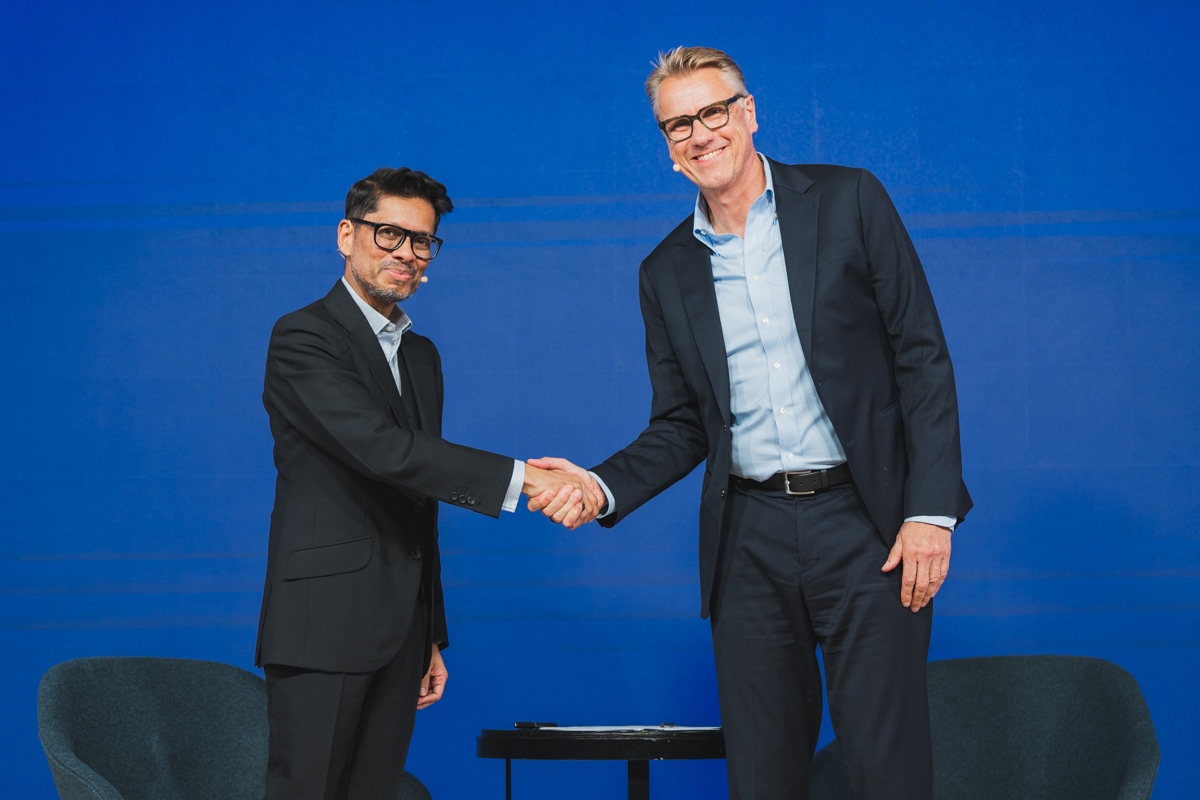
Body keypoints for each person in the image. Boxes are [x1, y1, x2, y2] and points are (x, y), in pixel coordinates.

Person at [530, 48, 973, 799]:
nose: (699, 134)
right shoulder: (664, 270)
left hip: (868, 527)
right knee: (763, 776)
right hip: (749, 543)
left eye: (713, 112)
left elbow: (921, 357)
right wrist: (600, 487)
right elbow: (682, 424)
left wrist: (930, 513)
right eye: (678, 125)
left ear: (749, 112)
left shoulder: (850, 200)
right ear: (668, 148)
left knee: (884, 770)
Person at [255, 167, 598, 800]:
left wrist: (429, 631)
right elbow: (385, 452)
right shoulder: (302, 336)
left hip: (400, 633)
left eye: (422, 241)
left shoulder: (421, 355)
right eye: (389, 234)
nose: (406, 254)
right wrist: (523, 480)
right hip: (322, 626)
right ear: (346, 235)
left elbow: (417, 498)